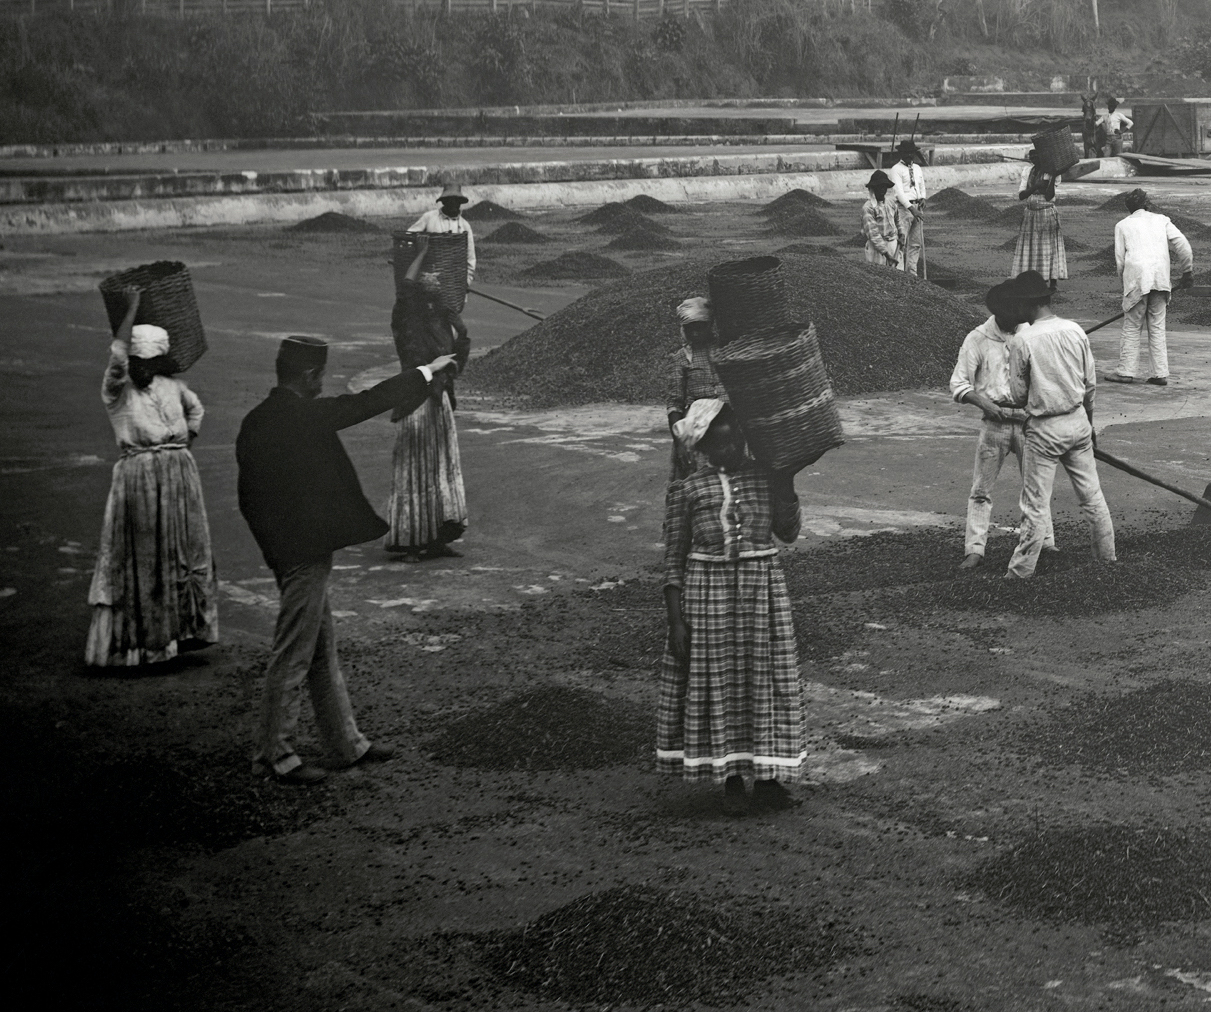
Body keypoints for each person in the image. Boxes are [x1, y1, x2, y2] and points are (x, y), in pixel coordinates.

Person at [237, 336, 458, 784]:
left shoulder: (257, 421)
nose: (322, 383)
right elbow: (370, 401)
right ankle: (273, 755)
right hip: (305, 554)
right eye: (319, 376)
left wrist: (275, 548)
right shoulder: (306, 417)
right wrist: (427, 371)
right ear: (308, 376)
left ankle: (346, 743)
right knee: (296, 655)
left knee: (319, 651)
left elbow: (250, 497)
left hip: (286, 551)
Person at [658, 399, 805, 816]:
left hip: (762, 593)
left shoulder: (766, 477)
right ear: (703, 450)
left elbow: (789, 532)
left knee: (765, 680)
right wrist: (676, 620)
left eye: (735, 442)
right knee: (719, 683)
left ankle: (769, 780)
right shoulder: (688, 489)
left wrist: (787, 484)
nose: (731, 452)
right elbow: (673, 558)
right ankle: (732, 780)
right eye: (720, 448)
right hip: (708, 596)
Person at [86, 287, 219, 667]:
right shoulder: (117, 390)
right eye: (136, 362)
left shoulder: (173, 388)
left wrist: (181, 451)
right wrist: (131, 309)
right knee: (141, 559)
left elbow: (196, 413)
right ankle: (140, 644)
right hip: (138, 479)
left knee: (181, 555)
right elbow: (116, 355)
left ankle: (180, 634)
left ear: (159, 363)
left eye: (148, 363)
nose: (140, 370)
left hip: (178, 477)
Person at [1003, 271, 1116, 580]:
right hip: (1079, 421)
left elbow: (1016, 395)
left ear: (1027, 304)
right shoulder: (1075, 330)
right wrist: (1090, 428)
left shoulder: (1022, 340)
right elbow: (1089, 386)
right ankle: (1108, 562)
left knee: (1035, 505)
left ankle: (1019, 574)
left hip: (1044, 428)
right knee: (1092, 498)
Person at [950, 280, 1055, 570]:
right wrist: (984, 403)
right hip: (993, 424)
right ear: (1000, 316)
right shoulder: (978, 339)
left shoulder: (1031, 334)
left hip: (1027, 423)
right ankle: (974, 549)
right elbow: (958, 383)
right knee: (981, 490)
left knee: (1036, 488)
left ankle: (1046, 542)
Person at [387, 234, 471, 562]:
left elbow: (457, 360)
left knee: (439, 472)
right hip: (415, 404)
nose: (436, 284)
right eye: (430, 281)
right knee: (416, 473)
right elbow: (406, 288)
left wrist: (458, 327)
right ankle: (411, 542)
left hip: (439, 403)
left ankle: (435, 540)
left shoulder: (440, 321)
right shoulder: (407, 319)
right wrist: (420, 254)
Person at [1105, 188, 1194, 387]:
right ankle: (1159, 373)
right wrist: (1187, 272)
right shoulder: (1162, 220)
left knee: (1132, 326)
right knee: (1157, 326)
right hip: (1160, 278)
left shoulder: (1122, 225)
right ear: (1147, 204)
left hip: (1137, 279)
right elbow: (1183, 245)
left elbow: (1120, 262)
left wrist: (1126, 289)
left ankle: (1126, 371)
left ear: (1129, 208)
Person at [664, 296, 726, 484]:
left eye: (701, 326)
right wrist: (680, 443)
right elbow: (674, 404)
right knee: (699, 486)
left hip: (728, 428)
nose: (696, 333)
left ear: (710, 325)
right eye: (691, 328)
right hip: (697, 432)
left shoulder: (726, 349)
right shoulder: (681, 358)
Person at [1011, 149, 1067, 291]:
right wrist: (1036, 186)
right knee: (1031, 247)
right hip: (1030, 213)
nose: (1034, 159)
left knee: (1049, 247)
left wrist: (1053, 176)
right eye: (1032, 157)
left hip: (1046, 212)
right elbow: (1022, 195)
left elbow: (1049, 196)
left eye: (1037, 156)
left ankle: (1052, 281)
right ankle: (1032, 279)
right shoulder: (1028, 171)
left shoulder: (1050, 173)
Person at [409, 183, 476, 286]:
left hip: (453, 282)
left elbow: (470, 257)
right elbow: (409, 235)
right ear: (444, 201)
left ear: (460, 203)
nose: (453, 204)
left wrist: (467, 281)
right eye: (450, 200)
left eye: (456, 200)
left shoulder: (464, 226)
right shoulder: (429, 218)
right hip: (428, 278)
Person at [887, 139, 928, 276]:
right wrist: (911, 208)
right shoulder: (896, 170)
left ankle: (912, 274)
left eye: (912, 153)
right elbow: (898, 192)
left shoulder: (917, 168)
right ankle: (899, 274)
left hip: (917, 208)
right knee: (901, 242)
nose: (910, 155)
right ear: (902, 154)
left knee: (916, 244)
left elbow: (921, 185)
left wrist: (922, 197)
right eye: (907, 153)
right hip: (904, 209)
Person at [861, 169, 901, 268]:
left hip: (893, 244)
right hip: (877, 249)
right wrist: (886, 254)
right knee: (878, 277)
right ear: (873, 188)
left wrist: (901, 233)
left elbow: (898, 220)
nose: (882, 189)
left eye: (884, 186)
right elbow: (873, 234)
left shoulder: (891, 203)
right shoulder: (868, 208)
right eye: (879, 187)